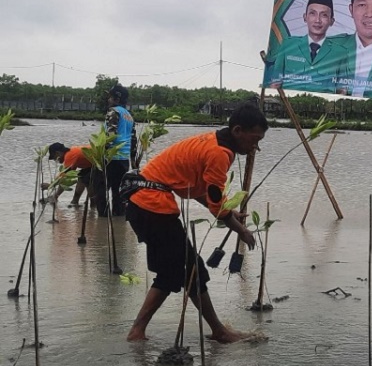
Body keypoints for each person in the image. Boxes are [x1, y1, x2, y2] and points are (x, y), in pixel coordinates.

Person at [125, 103, 266, 343]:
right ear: (237, 131)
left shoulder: (214, 141)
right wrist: (241, 229)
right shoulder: (220, 153)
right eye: (253, 140)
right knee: (176, 273)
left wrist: (227, 211)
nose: (256, 147)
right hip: (151, 204)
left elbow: (202, 194)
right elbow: (215, 207)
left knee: (192, 271)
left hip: (147, 202)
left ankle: (218, 330)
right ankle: (137, 332)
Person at [265, 0, 344, 94]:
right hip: (287, 103)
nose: (317, 20)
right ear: (305, 17)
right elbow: (275, 83)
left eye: (324, 15)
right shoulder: (288, 45)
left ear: (331, 21)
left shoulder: (340, 53)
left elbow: (342, 90)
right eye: (312, 13)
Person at [98, 83, 136, 217]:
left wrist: (101, 155)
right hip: (124, 160)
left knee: (102, 190)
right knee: (118, 192)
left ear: (117, 99)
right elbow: (133, 140)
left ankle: (102, 221)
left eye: (110, 97)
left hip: (111, 158)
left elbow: (110, 135)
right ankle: (118, 220)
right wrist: (134, 163)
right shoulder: (129, 116)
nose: (108, 100)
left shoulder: (113, 112)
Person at [41, 142, 94, 207]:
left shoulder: (69, 155)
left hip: (98, 162)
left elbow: (63, 176)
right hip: (91, 164)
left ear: (58, 153)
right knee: (81, 178)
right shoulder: (70, 154)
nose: (55, 160)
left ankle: (92, 204)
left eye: (54, 157)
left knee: (86, 180)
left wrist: (51, 185)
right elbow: (66, 179)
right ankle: (75, 201)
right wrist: (56, 195)